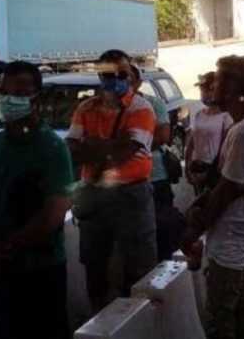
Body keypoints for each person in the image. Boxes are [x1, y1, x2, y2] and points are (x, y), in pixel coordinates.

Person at [0, 61, 74, 339]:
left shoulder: (51, 148)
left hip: (39, 270)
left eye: (19, 94)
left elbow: (53, 214)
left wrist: (4, 248)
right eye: (4, 93)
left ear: (36, 98)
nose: (8, 100)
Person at [182, 55, 244, 339]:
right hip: (237, 231)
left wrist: (193, 231)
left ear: (232, 89)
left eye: (218, 80)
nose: (212, 86)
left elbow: (226, 192)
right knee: (239, 306)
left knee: (219, 317)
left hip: (231, 234)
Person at [67, 49, 158, 313]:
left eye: (123, 74)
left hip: (131, 195)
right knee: (94, 262)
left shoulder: (141, 108)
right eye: (110, 74)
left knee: (138, 265)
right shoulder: (86, 107)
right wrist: (110, 146)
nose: (117, 79)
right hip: (94, 195)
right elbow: (72, 149)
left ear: (130, 76)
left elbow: (125, 152)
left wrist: (93, 146)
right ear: (100, 76)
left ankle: (138, 319)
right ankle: (99, 319)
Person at [130, 64, 178, 261]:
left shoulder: (153, 103)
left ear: (138, 82)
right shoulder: (107, 108)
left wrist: (127, 146)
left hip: (155, 176)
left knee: (162, 228)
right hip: (126, 183)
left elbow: (162, 136)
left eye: (129, 79)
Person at [185, 72, 234, 194]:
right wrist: (187, 165)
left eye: (207, 90)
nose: (204, 94)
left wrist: (212, 171)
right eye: (202, 90)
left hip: (214, 170)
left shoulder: (226, 117)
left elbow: (225, 148)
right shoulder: (200, 114)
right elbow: (192, 142)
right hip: (197, 167)